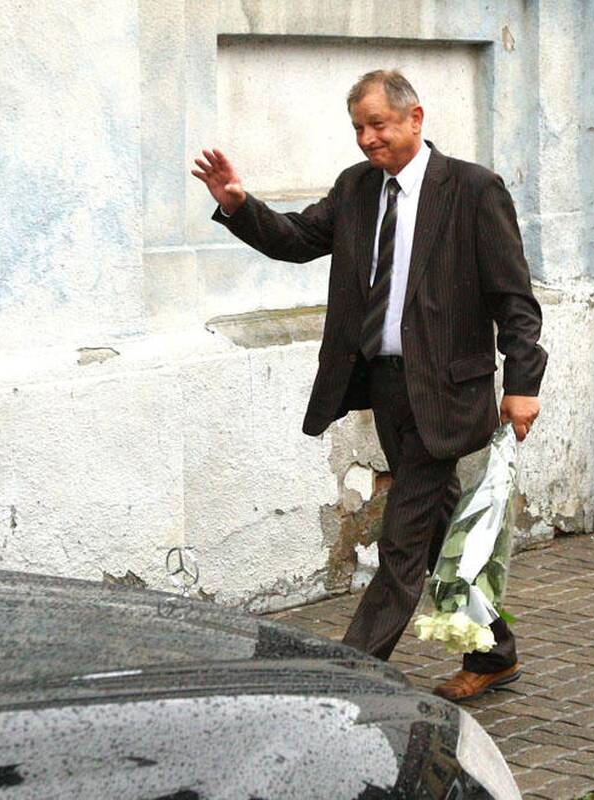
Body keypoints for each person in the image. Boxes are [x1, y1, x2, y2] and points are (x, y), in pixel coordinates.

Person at [191, 70, 547, 702]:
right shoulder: (356, 187)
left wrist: (522, 381)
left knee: (402, 540)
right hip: (386, 387)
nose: (367, 138)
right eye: (359, 127)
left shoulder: (472, 189)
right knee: (436, 527)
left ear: (415, 118)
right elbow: (298, 239)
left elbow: (514, 298)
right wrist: (240, 205)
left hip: (448, 392)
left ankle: (348, 678)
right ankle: (494, 653)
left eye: (378, 124)